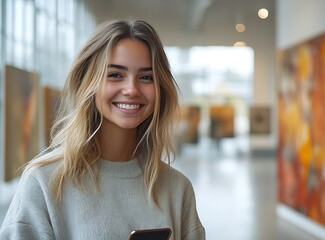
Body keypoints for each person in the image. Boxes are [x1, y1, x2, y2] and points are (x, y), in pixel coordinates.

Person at [0, 19, 205, 240]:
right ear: (88, 82)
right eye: (115, 74)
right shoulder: (44, 182)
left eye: (146, 77)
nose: (131, 89)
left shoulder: (177, 189)